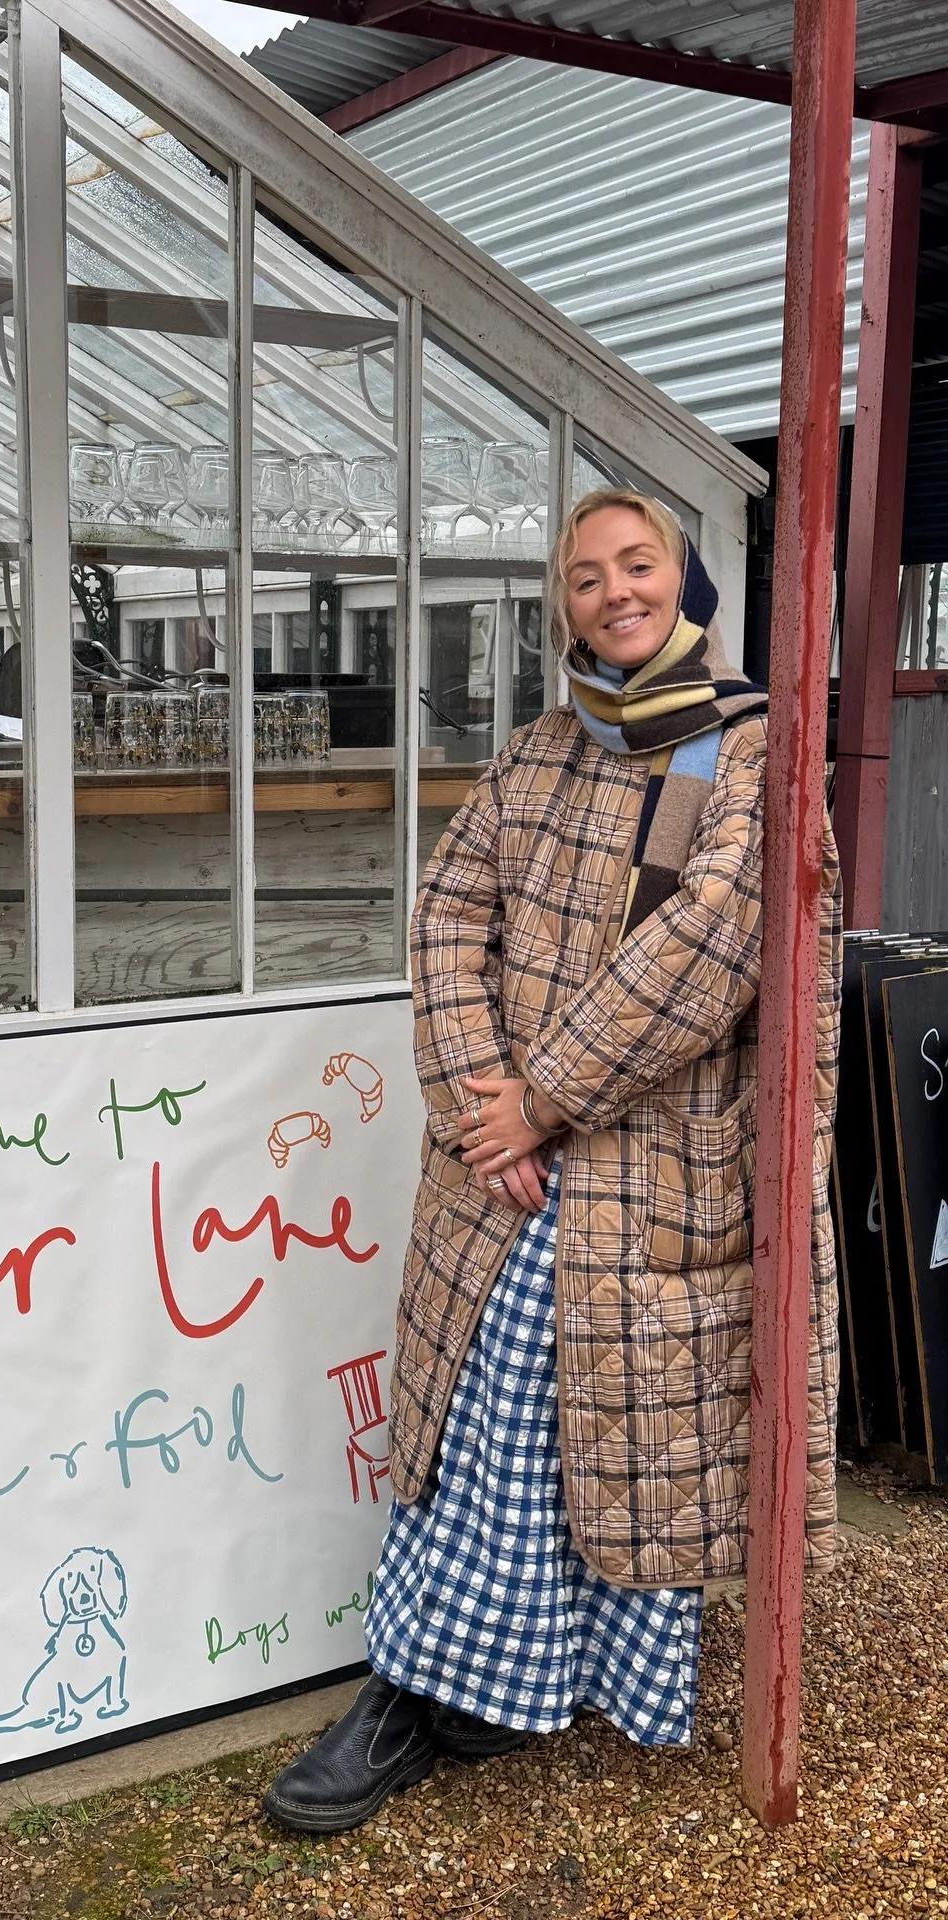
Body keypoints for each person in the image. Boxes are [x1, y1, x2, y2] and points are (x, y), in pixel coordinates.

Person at [264, 488, 842, 1835]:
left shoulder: (755, 751)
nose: (614, 594)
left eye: (638, 566)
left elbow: (710, 950)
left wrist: (543, 1101)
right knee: (479, 1430)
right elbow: (448, 918)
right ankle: (420, 1687)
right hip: (508, 1161)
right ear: (563, 606)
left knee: (613, 1441)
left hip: (659, 1170)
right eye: (585, 578)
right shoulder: (536, 754)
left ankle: (523, 1685)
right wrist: (482, 1101)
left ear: (686, 584)